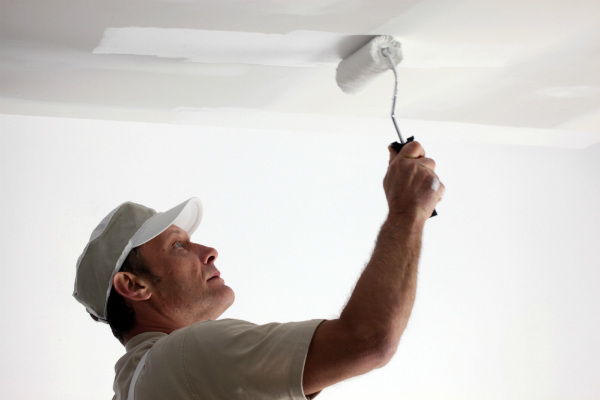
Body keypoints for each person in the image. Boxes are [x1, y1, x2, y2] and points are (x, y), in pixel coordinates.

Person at [73, 141, 444, 400]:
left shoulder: (138, 383)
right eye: (178, 246)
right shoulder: (186, 357)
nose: (210, 251)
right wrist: (407, 211)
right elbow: (368, 342)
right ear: (133, 285)